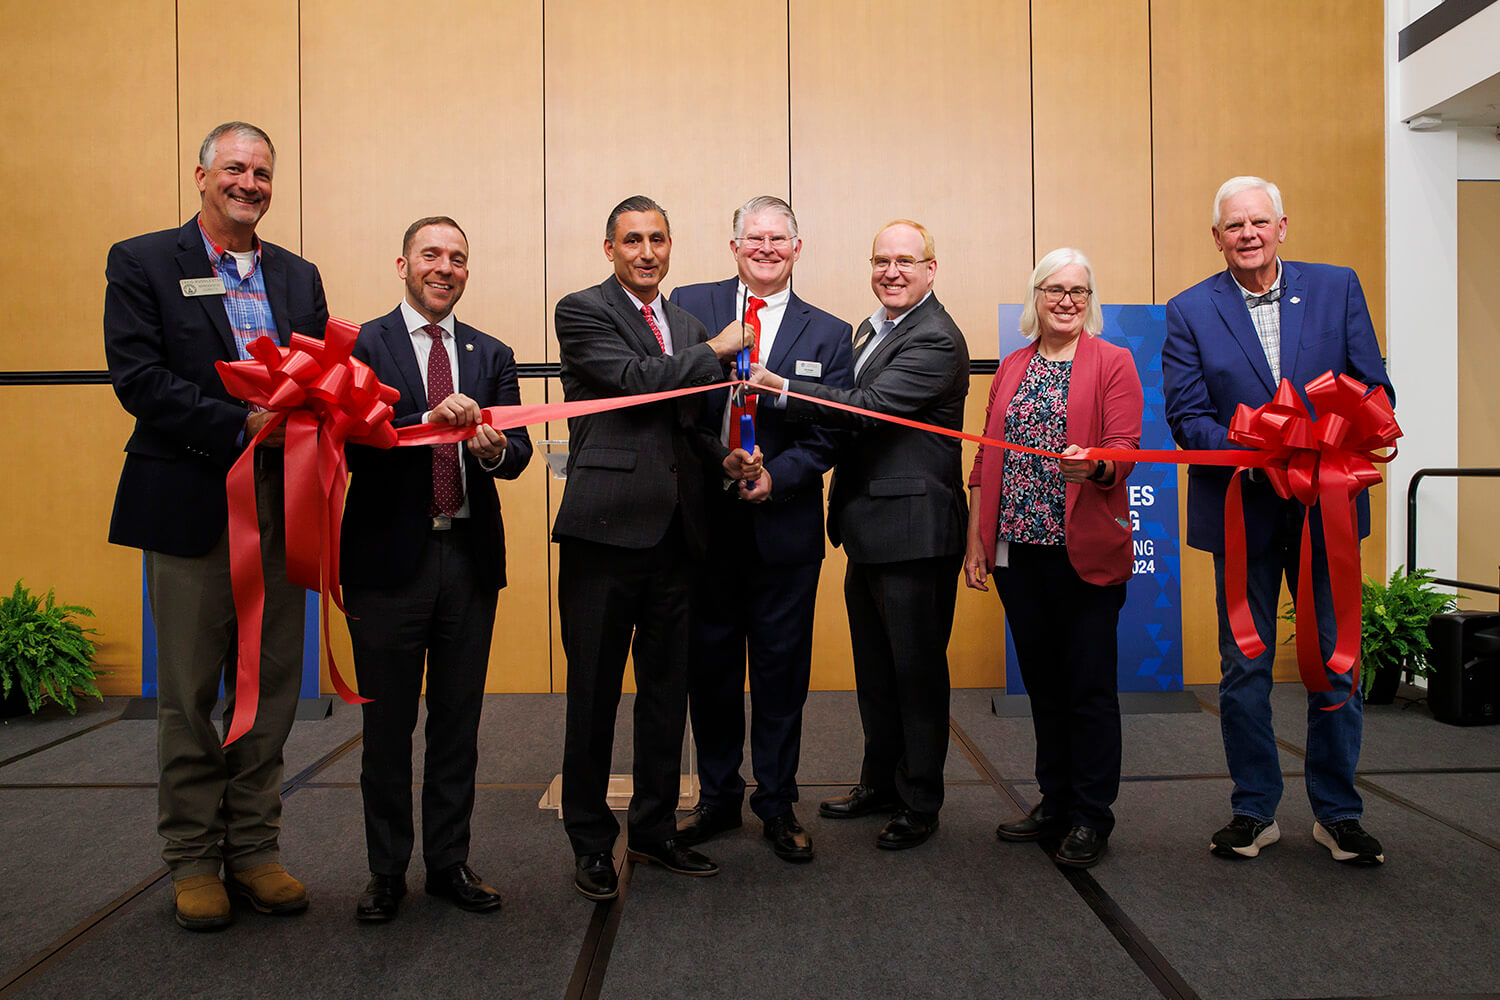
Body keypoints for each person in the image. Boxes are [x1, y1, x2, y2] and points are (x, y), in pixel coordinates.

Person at [104, 122, 327, 930]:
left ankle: (256, 850)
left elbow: (324, 376)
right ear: (201, 174)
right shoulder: (141, 262)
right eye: (234, 168)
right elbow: (137, 376)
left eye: (262, 172)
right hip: (192, 503)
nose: (249, 182)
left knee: (269, 689)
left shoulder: (299, 276)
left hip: (281, 505)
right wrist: (240, 423)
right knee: (192, 693)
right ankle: (194, 859)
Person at [1162, 176, 1395, 865]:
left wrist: (1316, 443)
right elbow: (1185, 418)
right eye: (1233, 226)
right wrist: (1261, 447)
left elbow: (1375, 388)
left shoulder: (1336, 287)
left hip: (1326, 508)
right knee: (1244, 665)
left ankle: (1338, 813)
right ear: (1216, 237)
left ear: (1282, 226)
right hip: (1244, 511)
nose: (1247, 235)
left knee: (1334, 662)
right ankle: (1254, 811)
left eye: (1258, 222)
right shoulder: (1188, 310)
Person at [553, 196, 761, 900]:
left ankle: (653, 831)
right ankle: (589, 840)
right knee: (593, 697)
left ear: (671, 247)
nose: (646, 252)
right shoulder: (582, 311)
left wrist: (722, 459)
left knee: (667, 698)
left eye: (658, 240)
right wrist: (716, 352)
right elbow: (637, 385)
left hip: (679, 538)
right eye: (632, 240)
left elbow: (688, 426)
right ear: (608, 248)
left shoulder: (686, 324)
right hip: (604, 533)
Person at [748, 219, 968, 851]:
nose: (891, 272)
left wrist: (783, 389)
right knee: (877, 670)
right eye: (881, 260)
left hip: (914, 531)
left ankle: (920, 800)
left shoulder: (937, 338)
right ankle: (880, 781)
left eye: (906, 261)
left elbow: (866, 406)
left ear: (932, 268)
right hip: (868, 526)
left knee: (916, 672)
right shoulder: (871, 328)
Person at [340, 217, 532, 921]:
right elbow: (350, 447)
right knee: (387, 727)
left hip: (468, 560)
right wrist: (426, 417)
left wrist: (485, 449)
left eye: (457, 258)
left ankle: (449, 863)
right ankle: (386, 873)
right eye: (431, 255)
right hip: (388, 562)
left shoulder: (493, 353)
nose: (444, 267)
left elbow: (516, 456)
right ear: (403, 264)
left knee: (458, 722)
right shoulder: (362, 345)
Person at [668, 196, 853, 864]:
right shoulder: (688, 307)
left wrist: (784, 475)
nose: (766, 248)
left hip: (784, 530)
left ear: (798, 248)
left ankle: (776, 803)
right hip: (703, 526)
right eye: (754, 238)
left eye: (779, 239)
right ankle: (718, 801)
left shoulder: (830, 333)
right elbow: (676, 409)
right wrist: (719, 459)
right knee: (709, 671)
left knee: (780, 675)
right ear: (733, 245)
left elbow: (833, 431)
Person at [963, 248, 1142, 869]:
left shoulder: (1113, 362)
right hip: (1020, 552)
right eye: (1053, 289)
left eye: (1078, 291)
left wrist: (1094, 464)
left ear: (1090, 301)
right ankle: (1056, 800)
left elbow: (1125, 448)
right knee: (1042, 685)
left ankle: (1093, 815)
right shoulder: (1013, 365)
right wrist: (977, 540)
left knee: (1088, 688)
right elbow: (986, 459)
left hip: (1083, 554)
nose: (1066, 301)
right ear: (1033, 297)